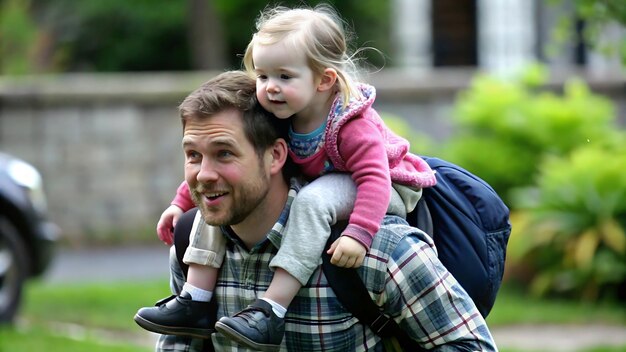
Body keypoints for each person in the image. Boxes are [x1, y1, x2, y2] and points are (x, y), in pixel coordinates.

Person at [136, 4, 440, 349]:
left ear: (325, 79)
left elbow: (374, 178)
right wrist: (181, 204)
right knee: (215, 200)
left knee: (312, 202)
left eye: (284, 76)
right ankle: (195, 300)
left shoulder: (351, 126)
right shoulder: (286, 114)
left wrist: (359, 233)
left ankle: (271, 308)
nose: (270, 88)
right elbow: (215, 171)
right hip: (336, 180)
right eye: (263, 77)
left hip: (386, 186)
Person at [136, 70, 497, 351]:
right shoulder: (193, 248)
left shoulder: (381, 251)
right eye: (193, 155)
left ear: (276, 155)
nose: (204, 174)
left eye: (225, 153)